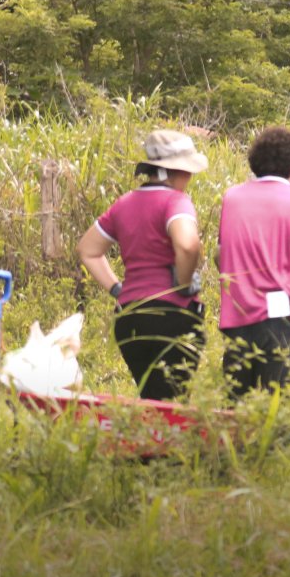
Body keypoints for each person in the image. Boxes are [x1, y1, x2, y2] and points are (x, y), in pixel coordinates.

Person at [78, 130, 206, 401]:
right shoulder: (176, 201)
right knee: (172, 403)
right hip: (172, 316)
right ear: (176, 171)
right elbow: (187, 245)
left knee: (150, 398)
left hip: (130, 318)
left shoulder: (123, 204)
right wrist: (183, 283)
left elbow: (88, 250)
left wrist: (117, 289)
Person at [218, 127, 290, 395]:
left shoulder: (232, 197)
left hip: (236, 313)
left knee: (236, 402)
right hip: (279, 315)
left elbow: (222, 253)